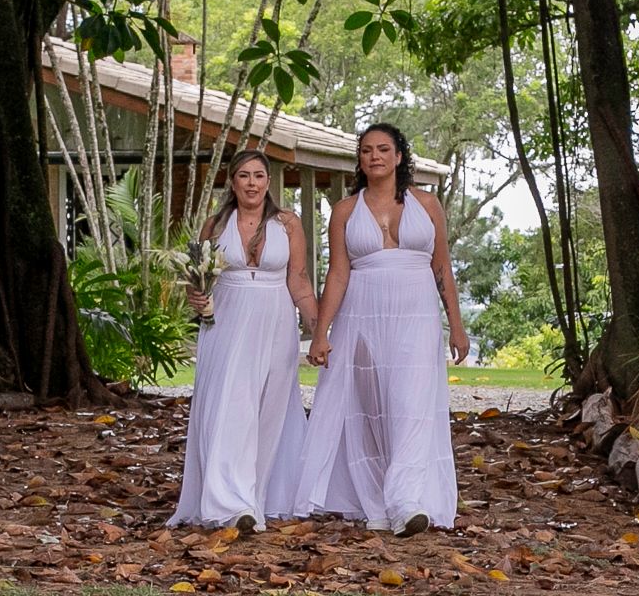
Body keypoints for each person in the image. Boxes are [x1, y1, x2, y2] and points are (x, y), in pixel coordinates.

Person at [293, 122, 467, 536]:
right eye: (367, 150)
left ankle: (407, 501)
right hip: (362, 316)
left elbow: (441, 266)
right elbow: (337, 274)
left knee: (411, 404)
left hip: (416, 315)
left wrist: (456, 326)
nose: (375, 156)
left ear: (399, 157)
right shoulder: (345, 211)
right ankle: (376, 497)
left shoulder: (427, 204)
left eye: (384, 149)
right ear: (360, 159)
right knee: (371, 407)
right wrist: (321, 331)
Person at [169, 149, 319, 533]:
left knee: (268, 412)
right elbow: (197, 282)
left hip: (275, 321)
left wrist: (319, 328)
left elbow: (299, 280)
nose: (252, 183)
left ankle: (256, 497)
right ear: (232, 182)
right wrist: (197, 297)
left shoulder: (288, 224)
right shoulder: (215, 226)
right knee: (228, 408)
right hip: (228, 323)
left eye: (258, 176)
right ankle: (229, 504)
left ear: (269, 182)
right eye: (243, 176)